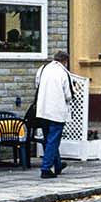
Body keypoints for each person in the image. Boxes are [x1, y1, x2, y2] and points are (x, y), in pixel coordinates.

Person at [35, 51, 73, 179]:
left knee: (49, 139)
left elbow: (37, 85)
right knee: (53, 140)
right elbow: (69, 95)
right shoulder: (63, 73)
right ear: (65, 61)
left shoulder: (43, 69)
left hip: (42, 110)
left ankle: (57, 165)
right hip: (56, 111)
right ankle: (46, 168)